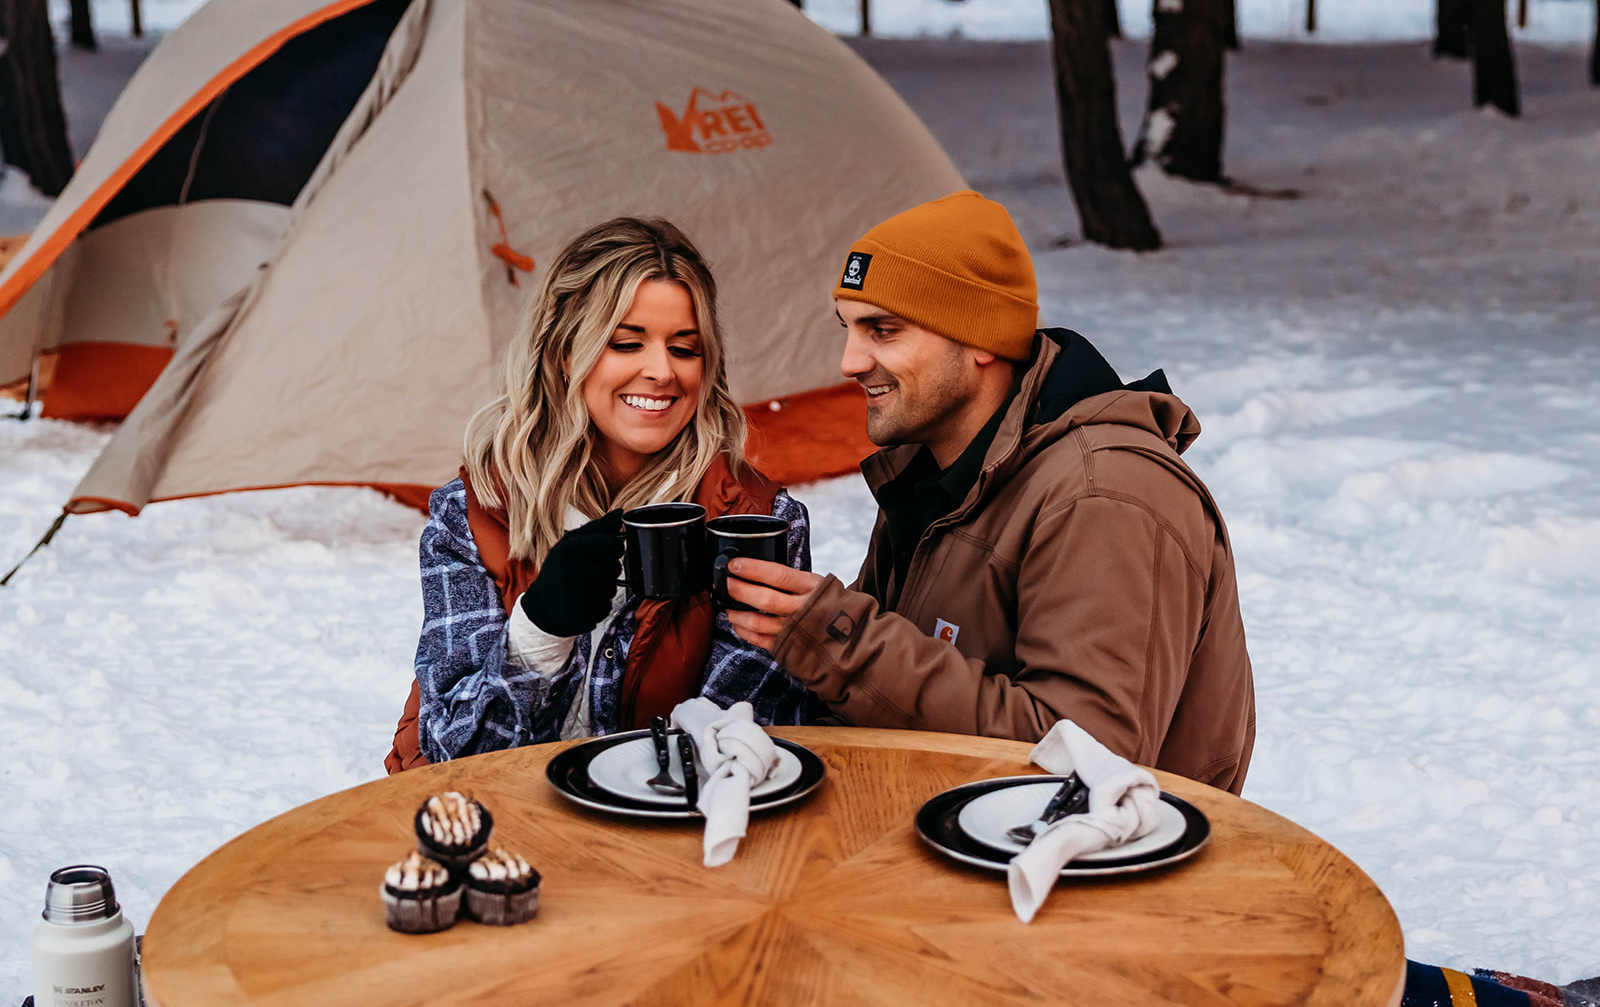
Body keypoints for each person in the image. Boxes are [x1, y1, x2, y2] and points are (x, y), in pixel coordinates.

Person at [724, 190, 1255, 792]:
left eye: (883, 331)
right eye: (848, 329)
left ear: (980, 339)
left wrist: (843, 642)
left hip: (1094, 848)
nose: (849, 361)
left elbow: (1088, 760)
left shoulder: (1103, 495)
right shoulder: (930, 468)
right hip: (951, 821)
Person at [387, 217, 811, 771]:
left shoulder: (757, 524)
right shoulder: (475, 513)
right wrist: (537, 632)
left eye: (685, 349)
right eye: (627, 343)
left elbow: (737, 749)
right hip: (483, 813)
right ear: (566, 353)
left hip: (667, 816)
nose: (661, 371)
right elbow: (455, 750)